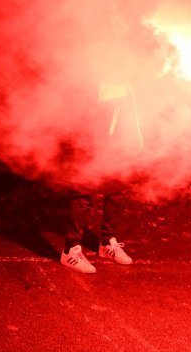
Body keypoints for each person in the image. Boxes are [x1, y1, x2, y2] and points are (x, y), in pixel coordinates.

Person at [60, 78, 137, 273]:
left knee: (117, 185)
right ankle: (70, 250)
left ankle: (107, 243)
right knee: (84, 185)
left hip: (120, 112)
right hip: (94, 111)